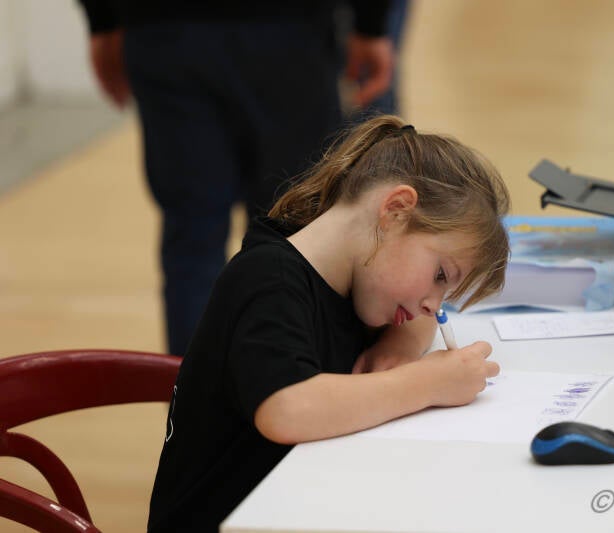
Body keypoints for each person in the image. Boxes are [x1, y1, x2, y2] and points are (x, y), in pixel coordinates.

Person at [146, 115, 510, 531]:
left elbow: (417, 319)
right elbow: (286, 409)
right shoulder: (269, 279)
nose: (433, 308)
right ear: (395, 211)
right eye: (440, 276)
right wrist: (428, 382)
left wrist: (399, 345)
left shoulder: (359, 273)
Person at [77, 0, 395, 356]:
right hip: (288, 34)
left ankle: (193, 389)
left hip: (166, 33)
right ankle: (285, 380)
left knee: (193, 241)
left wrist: (103, 21)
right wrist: (371, 24)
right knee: (293, 229)